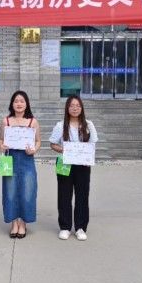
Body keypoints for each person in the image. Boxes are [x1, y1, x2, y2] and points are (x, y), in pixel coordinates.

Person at [49, 96, 98, 241]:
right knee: (64, 195)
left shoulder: (88, 125)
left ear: (81, 108)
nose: (75, 108)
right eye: (71, 105)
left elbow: (92, 144)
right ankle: (65, 227)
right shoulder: (60, 125)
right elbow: (53, 144)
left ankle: (80, 227)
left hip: (83, 165)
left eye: (77, 105)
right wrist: (64, 149)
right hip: (65, 164)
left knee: (82, 195)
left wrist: (88, 157)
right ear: (67, 108)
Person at [0, 91, 40, 239]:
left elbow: (38, 141)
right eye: (16, 101)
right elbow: (0, 140)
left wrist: (34, 150)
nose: (19, 104)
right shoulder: (6, 121)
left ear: (26, 104)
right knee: (10, 192)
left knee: (28, 192)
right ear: (12, 104)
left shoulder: (32, 122)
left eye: (22, 101)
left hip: (27, 160)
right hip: (10, 160)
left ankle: (23, 223)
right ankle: (14, 222)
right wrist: (2, 146)